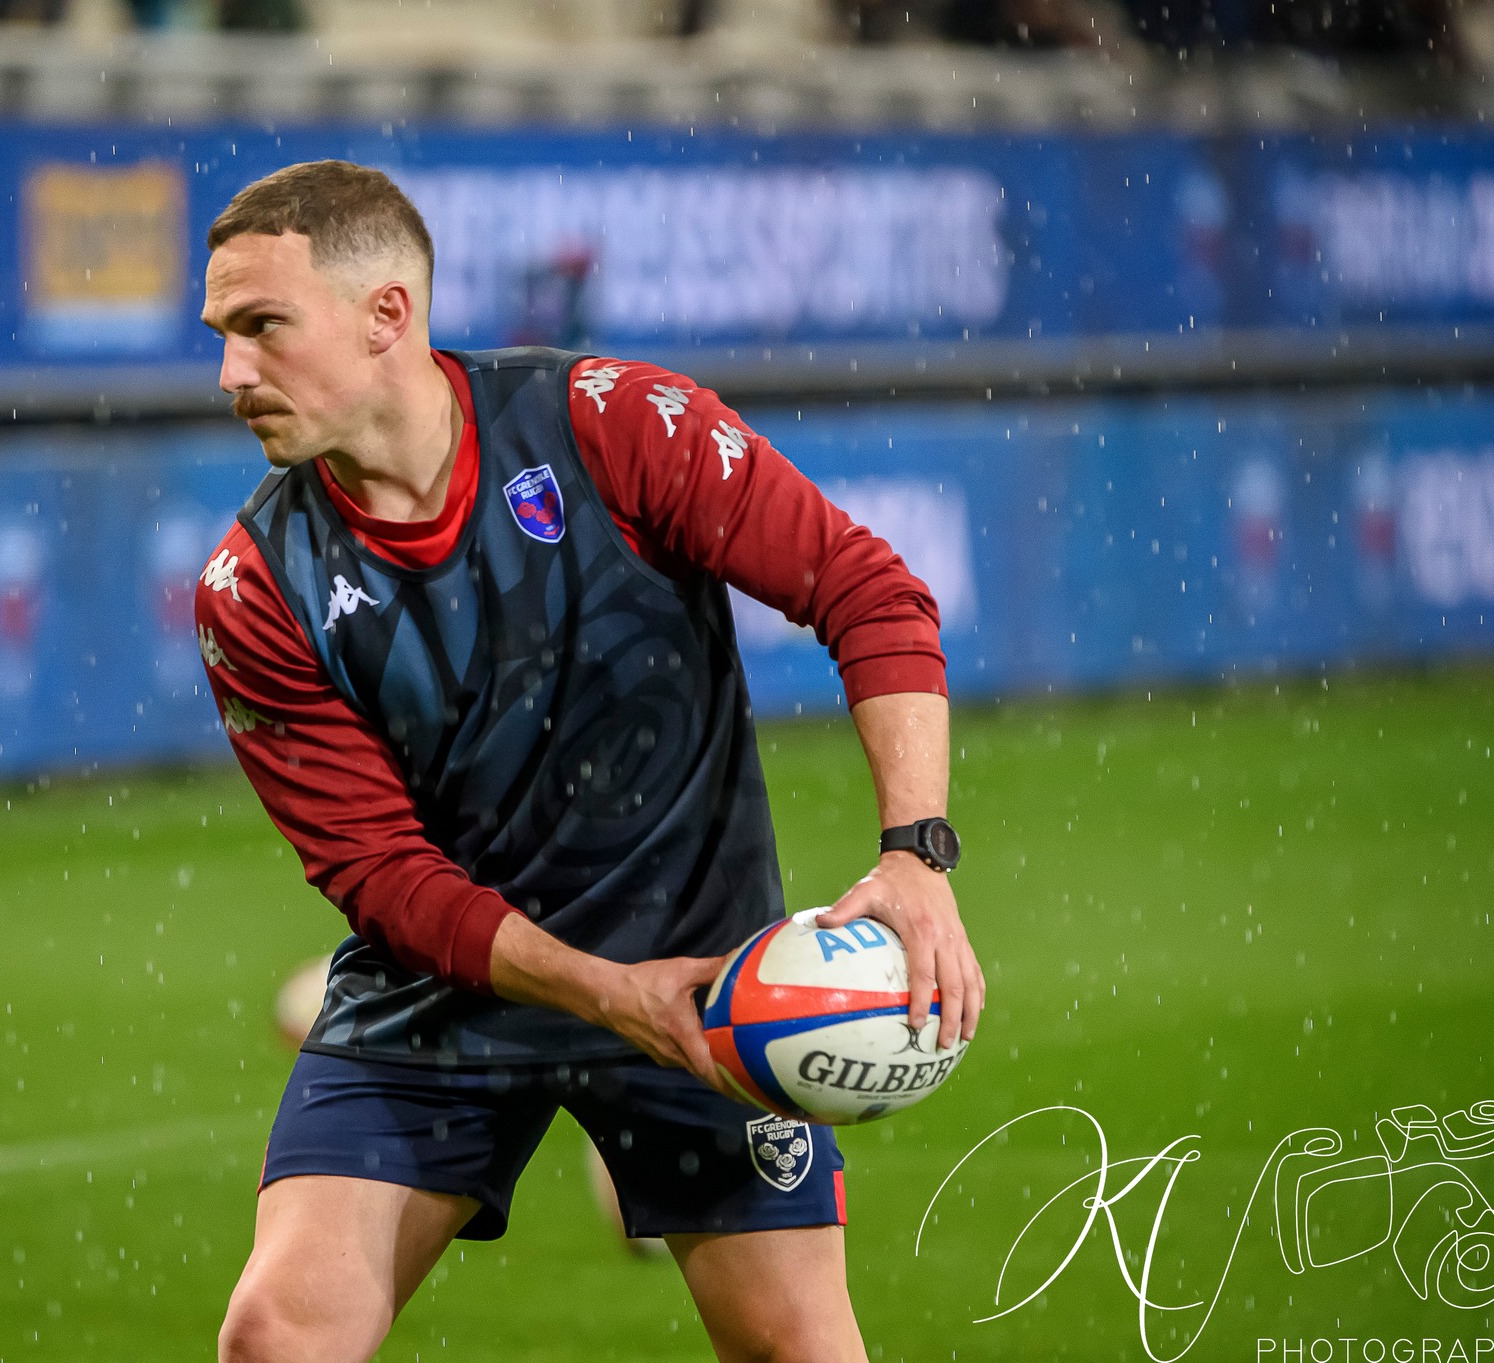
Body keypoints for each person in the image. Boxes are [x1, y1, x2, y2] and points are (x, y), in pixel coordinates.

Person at [194, 158, 985, 1363]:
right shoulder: (254, 588)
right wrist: (602, 990)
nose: (230, 374)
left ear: (386, 315)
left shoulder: (610, 425)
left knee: (796, 1346)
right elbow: (383, 877)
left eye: (262, 328)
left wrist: (914, 854)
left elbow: (865, 591)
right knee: (275, 1336)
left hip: (709, 976)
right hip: (445, 994)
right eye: (221, 335)